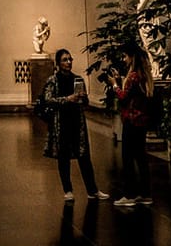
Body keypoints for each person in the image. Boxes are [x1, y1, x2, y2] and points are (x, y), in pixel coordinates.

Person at [39, 49, 105, 202]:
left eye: (70, 59)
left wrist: (83, 98)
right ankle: (67, 189)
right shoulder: (52, 80)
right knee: (64, 157)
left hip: (76, 121)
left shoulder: (78, 79)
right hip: (61, 122)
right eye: (65, 60)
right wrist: (67, 99)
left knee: (84, 156)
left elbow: (85, 103)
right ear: (58, 63)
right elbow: (48, 99)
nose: (68, 62)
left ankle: (92, 189)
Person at [112, 45, 154, 208]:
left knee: (128, 157)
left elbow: (123, 97)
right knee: (141, 157)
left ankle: (129, 194)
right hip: (142, 121)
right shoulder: (144, 76)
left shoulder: (133, 77)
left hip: (131, 121)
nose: (123, 59)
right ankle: (145, 194)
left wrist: (115, 85)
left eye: (125, 56)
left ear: (131, 57)